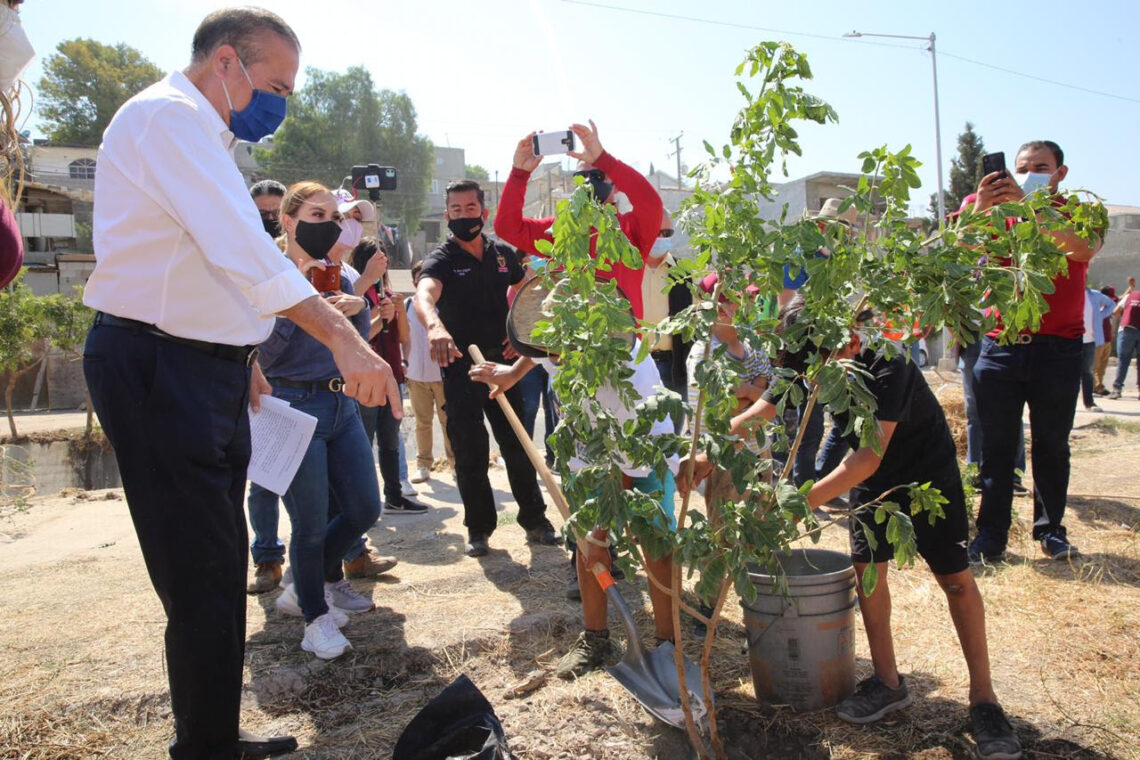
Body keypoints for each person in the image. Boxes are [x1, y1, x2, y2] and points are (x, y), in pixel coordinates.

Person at [81, 9, 396, 758]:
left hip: (205, 368)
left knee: (218, 563)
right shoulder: (168, 119)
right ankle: (206, 748)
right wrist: (347, 339)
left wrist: (244, 352)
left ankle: (213, 732)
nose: (281, 103)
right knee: (200, 572)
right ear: (227, 61)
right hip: (160, 367)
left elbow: (207, 268)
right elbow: (241, 253)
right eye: (277, 85)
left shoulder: (207, 136)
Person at [683, 299, 1022, 760]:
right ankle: (887, 682)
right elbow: (763, 408)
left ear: (851, 340)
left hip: (925, 476)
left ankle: (985, 701)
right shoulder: (810, 354)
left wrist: (794, 507)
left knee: (957, 582)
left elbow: (865, 457)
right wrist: (712, 451)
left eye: (823, 365)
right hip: (872, 483)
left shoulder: (889, 362)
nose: (815, 377)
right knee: (867, 575)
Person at [469, 279, 677, 678]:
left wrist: (603, 529)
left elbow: (629, 466)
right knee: (586, 550)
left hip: (644, 458)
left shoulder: (625, 378)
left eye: (561, 350)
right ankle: (596, 640)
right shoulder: (560, 344)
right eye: (549, 345)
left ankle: (667, 647)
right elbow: (538, 354)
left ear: (592, 338)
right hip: (586, 456)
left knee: (656, 548)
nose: (553, 357)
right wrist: (512, 373)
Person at [261, 181, 388, 661]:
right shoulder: (270, 276)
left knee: (363, 509)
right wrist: (301, 309)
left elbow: (357, 345)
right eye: (317, 216)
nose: (329, 226)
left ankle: (309, 578)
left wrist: (358, 311)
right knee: (309, 524)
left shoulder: (343, 274)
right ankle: (313, 616)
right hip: (293, 404)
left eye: (334, 217)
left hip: (342, 404)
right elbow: (264, 355)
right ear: (289, 221)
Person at [968, 140, 1103, 563]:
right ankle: (990, 537)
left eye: (1040, 167)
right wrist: (980, 211)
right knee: (996, 447)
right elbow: (960, 253)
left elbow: (1081, 249)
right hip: (1000, 346)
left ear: (1061, 173)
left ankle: (1051, 531)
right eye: (1022, 167)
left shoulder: (1082, 211)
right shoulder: (985, 205)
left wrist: (1029, 208)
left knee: (1051, 445)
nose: (1028, 174)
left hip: (1059, 349)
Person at [413, 179, 561, 557]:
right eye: (456, 210)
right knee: (470, 450)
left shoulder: (503, 254)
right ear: (447, 215)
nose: (464, 216)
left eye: (471, 208)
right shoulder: (441, 259)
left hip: (504, 363)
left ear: (484, 211)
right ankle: (478, 529)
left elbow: (531, 288)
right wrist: (435, 326)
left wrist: (525, 329)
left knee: (518, 442)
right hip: (461, 366)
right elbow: (424, 294)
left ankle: (536, 521)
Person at [495, 120, 664, 321]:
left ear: (616, 186)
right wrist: (519, 173)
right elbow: (507, 227)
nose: (588, 182)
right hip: (572, 346)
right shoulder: (560, 231)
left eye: (597, 175)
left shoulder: (631, 229)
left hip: (622, 346)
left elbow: (650, 203)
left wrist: (604, 160)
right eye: (581, 176)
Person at [351, 236, 428, 515]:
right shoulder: (354, 293)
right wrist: (379, 316)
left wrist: (398, 312)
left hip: (392, 373)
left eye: (385, 257)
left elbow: (403, 336)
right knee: (363, 442)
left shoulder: (388, 290)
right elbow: (356, 338)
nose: (384, 262)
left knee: (390, 442)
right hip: (367, 378)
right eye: (377, 258)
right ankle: (363, 503)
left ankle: (394, 497)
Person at [642, 211, 693, 433]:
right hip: (637, 365)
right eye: (657, 231)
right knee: (638, 434)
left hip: (674, 367)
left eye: (668, 233)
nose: (662, 237)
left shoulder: (683, 272)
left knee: (671, 434)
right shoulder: (628, 269)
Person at [404, 260, 455, 482]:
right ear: (414, 280)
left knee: (449, 422)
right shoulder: (406, 305)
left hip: (442, 374)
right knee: (422, 422)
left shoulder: (445, 307)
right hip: (416, 374)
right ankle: (424, 464)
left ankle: (455, 464)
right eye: (418, 277)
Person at [1080, 287, 1116, 411]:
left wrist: (1100, 316)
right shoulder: (1070, 293)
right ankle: (1065, 403)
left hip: (1090, 340)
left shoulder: (1095, 295)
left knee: (1088, 372)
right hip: (1071, 339)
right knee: (1068, 372)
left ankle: (1089, 403)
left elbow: (1111, 304)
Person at [1109, 277, 1139, 400]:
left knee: (1123, 361)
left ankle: (1117, 390)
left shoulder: (1129, 296)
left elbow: (1116, 312)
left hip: (1127, 330)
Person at [1092, 285, 1118, 396]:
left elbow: (1119, 299)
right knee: (1096, 365)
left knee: (1102, 365)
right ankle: (1095, 387)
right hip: (1099, 339)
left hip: (1107, 340)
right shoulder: (1098, 309)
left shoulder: (1107, 307)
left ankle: (1099, 386)